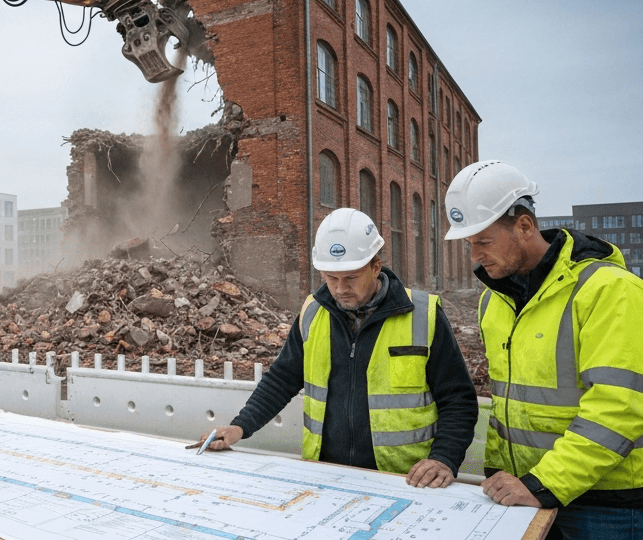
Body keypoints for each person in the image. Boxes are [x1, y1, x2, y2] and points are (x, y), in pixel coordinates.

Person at [443, 160, 643, 540]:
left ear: (524, 226)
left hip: (601, 503)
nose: (475, 256)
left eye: (483, 241)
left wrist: (543, 485)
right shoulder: (496, 302)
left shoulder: (612, 291)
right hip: (530, 495)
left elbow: (620, 409)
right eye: (469, 243)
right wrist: (522, 483)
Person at [192, 208, 478, 489]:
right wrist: (239, 427)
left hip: (404, 482)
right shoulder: (313, 313)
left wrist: (444, 458)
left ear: (375, 266)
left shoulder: (422, 315)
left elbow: (458, 399)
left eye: (351, 278)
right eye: (331, 278)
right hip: (325, 476)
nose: (340, 289)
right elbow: (281, 380)